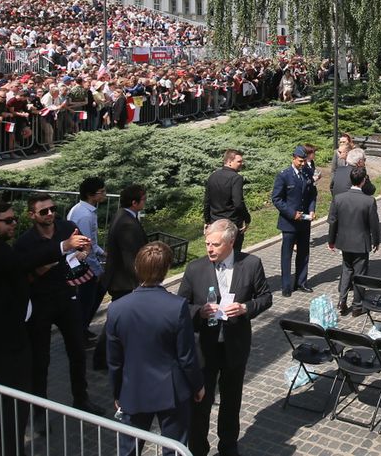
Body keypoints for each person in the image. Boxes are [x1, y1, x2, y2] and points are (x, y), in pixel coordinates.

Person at [0, 201, 90, 456]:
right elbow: (24, 263)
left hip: (2, 338)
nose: (13, 224)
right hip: (3, 343)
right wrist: (63, 248)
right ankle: (8, 447)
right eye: (7, 221)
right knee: (8, 402)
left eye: (14, 219)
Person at [178, 220, 272, 456]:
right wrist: (198, 311)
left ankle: (228, 445)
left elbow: (266, 297)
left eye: (216, 244)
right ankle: (198, 448)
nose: (209, 249)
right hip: (204, 349)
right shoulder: (195, 268)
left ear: (231, 242)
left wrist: (246, 308)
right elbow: (181, 305)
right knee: (200, 402)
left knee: (231, 401)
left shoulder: (251, 264)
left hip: (234, 345)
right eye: (207, 243)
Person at [105, 242, 204, 456]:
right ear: (166, 269)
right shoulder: (176, 306)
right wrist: (197, 386)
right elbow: (186, 356)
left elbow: (114, 360)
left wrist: (117, 391)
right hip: (171, 391)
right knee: (174, 449)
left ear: (136, 268)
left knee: (129, 449)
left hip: (133, 389)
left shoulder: (116, 309)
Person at [14, 193, 98, 415]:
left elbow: (83, 246)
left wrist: (83, 253)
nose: (50, 214)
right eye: (44, 211)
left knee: (77, 352)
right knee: (41, 361)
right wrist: (40, 269)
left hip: (67, 298)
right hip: (40, 303)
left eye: (52, 209)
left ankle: (81, 399)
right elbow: (21, 272)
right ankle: (40, 411)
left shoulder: (66, 228)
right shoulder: (25, 242)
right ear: (32, 215)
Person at [94, 183, 149, 372]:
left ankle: (104, 357)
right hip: (123, 282)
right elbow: (130, 256)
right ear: (134, 202)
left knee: (117, 320)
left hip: (120, 280)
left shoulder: (124, 216)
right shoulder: (127, 224)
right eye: (143, 199)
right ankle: (102, 357)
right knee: (116, 321)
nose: (145, 202)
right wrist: (140, 281)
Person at [327, 165, 381, 316]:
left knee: (346, 271)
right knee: (360, 275)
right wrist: (376, 241)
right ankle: (357, 306)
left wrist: (331, 241)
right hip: (361, 243)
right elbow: (374, 224)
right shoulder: (369, 201)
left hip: (344, 242)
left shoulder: (339, 199)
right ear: (364, 181)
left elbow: (333, 222)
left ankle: (341, 301)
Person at [271, 145, 316, 297]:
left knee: (303, 253)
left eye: (304, 161)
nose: (303, 164)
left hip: (304, 221)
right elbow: (276, 199)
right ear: (294, 158)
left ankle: (301, 281)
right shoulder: (284, 175)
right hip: (289, 222)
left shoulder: (307, 173)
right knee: (287, 254)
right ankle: (286, 285)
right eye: (300, 161)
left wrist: (311, 209)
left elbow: (311, 195)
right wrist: (291, 213)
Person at [67, 176, 107, 332]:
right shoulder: (85, 215)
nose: (105, 194)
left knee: (92, 297)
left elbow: (92, 242)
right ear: (91, 195)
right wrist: (96, 271)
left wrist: (103, 253)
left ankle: (83, 329)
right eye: (101, 192)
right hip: (82, 266)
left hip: (82, 263)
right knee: (86, 302)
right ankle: (81, 333)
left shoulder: (83, 210)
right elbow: (86, 248)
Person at [204, 149, 251, 251]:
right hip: (231, 224)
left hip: (215, 223)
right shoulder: (236, 178)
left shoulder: (213, 176)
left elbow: (207, 201)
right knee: (234, 256)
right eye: (239, 161)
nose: (241, 164)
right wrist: (247, 219)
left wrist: (207, 220)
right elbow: (238, 203)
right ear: (229, 162)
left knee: (217, 252)